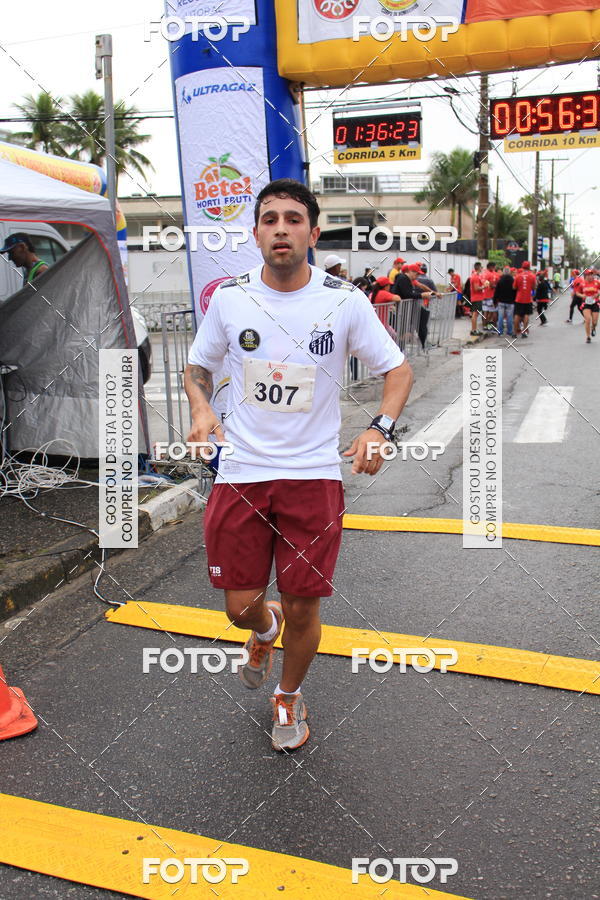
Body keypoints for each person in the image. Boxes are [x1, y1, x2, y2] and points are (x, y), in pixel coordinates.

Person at [184, 178, 413, 751]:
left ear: (312, 234)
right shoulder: (230, 299)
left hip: (312, 476)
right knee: (240, 606)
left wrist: (380, 428)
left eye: (293, 219)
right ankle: (263, 632)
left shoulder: (344, 300)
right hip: (241, 473)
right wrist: (202, 408)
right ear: (256, 233)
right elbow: (198, 368)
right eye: (270, 219)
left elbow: (398, 370)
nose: (281, 229)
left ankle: (288, 695)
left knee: (302, 603)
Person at [575, 268, 600, 343]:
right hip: (586, 303)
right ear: (586, 276)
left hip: (595, 302)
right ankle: (588, 337)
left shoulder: (597, 282)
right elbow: (577, 293)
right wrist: (582, 295)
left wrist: (598, 294)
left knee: (595, 322)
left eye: (591, 275)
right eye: (588, 275)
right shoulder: (582, 284)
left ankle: (593, 328)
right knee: (588, 320)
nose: (590, 276)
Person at [513, 260, 536, 338]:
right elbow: (534, 287)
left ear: (522, 267)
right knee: (526, 315)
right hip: (528, 299)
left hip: (519, 298)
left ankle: (515, 332)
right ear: (529, 267)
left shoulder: (518, 276)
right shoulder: (532, 276)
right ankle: (524, 331)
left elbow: (514, 287)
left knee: (517, 315)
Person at [493, 266, 515, 336]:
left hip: (501, 301)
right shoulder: (513, 280)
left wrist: (494, 301)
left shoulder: (500, 280)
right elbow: (515, 291)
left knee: (500, 317)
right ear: (509, 272)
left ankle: (500, 331)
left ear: (503, 272)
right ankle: (509, 331)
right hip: (510, 302)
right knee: (509, 317)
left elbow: (496, 292)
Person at [468, 262, 485, 336]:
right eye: (481, 267)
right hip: (476, 298)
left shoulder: (475, 276)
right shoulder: (475, 277)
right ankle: (473, 330)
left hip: (476, 298)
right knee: (475, 314)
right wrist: (484, 286)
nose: (482, 268)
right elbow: (476, 288)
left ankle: (474, 329)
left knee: (475, 314)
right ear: (479, 268)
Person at [481, 261, 498, 332]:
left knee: (485, 312)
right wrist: (495, 286)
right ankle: (490, 326)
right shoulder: (492, 274)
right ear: (491, 267)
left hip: (483, 296)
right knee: (492, 312)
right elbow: (491, 285)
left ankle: (485, 326)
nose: (495, 268)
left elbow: (484, 283)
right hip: (491, 295)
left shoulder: (483, 273)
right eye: (494, 267)